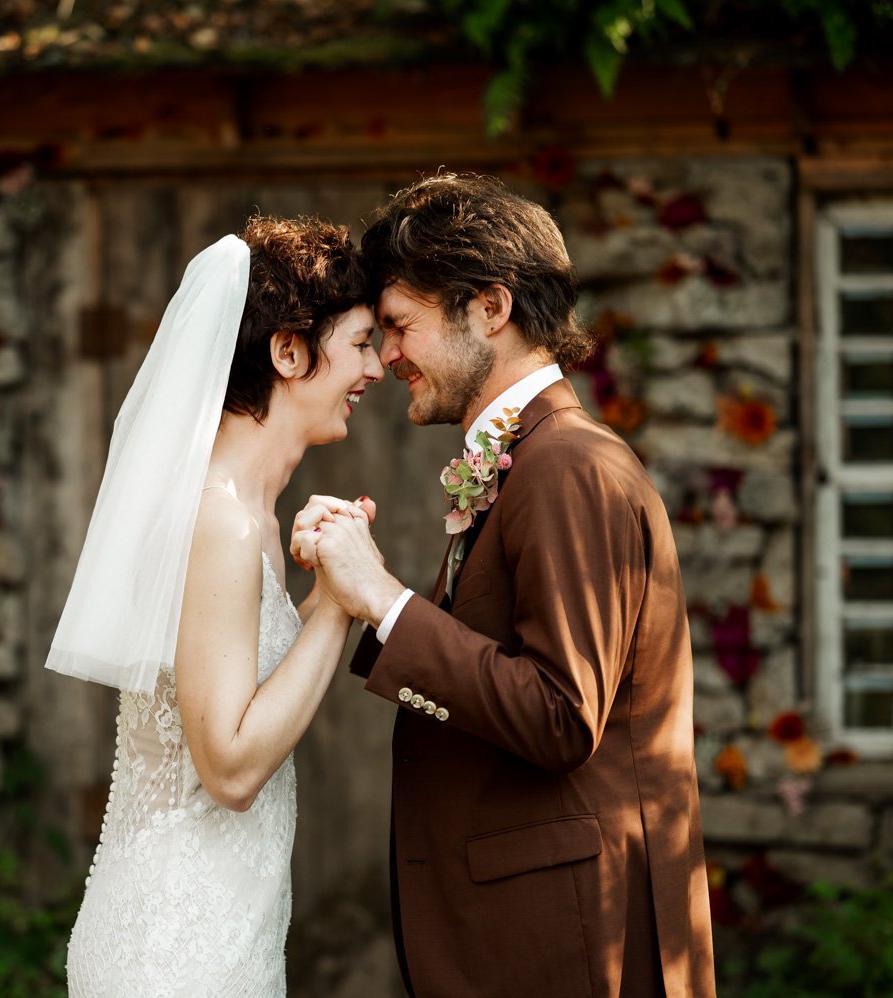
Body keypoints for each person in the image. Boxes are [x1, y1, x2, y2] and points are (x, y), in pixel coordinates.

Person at [292, 174, 715, 997]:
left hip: (576, 946)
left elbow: (561, 717)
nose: (386, 358)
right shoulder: (531, 460)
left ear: (490, 307)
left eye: (399, 326)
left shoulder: (570, 467)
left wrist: (383, 599)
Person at [50, 216, 383, 997]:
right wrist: (337, 604)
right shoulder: (221, 522)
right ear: (289, 350)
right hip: (175, 950)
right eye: (361, 342)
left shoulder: (245, 517)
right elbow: (231, 768)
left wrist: (320, 600)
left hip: (218, 927)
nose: (377, 367)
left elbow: (238, 687)